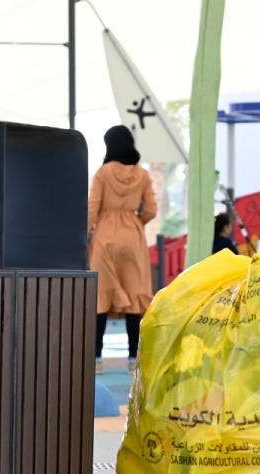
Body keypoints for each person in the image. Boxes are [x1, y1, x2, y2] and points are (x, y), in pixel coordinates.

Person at [89, 125, 157, 373]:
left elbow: (92, 208)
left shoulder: (102, 173)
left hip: (105, 237)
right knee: (134, 298)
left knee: (101, 296)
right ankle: (132, 359)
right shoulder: (143, 174)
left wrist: (86, 233)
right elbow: (151, 210)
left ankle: (96, 359)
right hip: (132, 237)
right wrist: (136, 222)